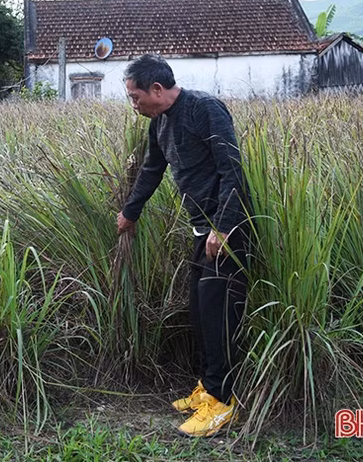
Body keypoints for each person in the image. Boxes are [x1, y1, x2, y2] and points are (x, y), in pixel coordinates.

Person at [117, 54, 250, 438]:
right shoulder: (159, 122)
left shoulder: (205, 109)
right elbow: (152, 170)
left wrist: (223, 228)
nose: (134, 104)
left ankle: (224, 404)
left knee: (219, 317)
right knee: (200, 313)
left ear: (157, 89)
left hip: (227, 231)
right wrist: (131, 211)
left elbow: (232, 171)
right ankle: (208, 388)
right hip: (201, 232)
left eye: (135, 97)